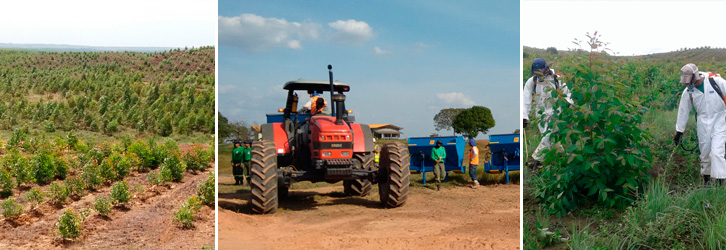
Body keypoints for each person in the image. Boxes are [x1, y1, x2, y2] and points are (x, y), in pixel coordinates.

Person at [674, 63, 726, 185]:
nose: (688, 84)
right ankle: (707, 183)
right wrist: (679, 132)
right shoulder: (688, 92)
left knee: (717, 152)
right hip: (703, 122)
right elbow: (683, 111)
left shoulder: (715, 81)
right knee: (705, 153)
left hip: (720, 119)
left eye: (689, 80)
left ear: (695, 77)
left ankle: (720, 184)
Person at [522, 58, 572, 168]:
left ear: (546, 69)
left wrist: (568, 103)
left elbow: (567, 94)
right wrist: (524, 117)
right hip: (540, 113)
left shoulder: (556, 79)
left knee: (548, 135)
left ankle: (536, 160)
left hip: (556, 111)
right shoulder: (532, 82)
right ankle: (562, 158)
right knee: (551, 140)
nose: (539, 74)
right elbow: (525, 100)